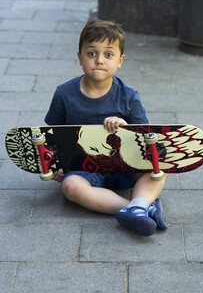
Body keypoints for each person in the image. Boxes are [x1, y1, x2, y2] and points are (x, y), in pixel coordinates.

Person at [44, 19, 168, 236]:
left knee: (160, 166)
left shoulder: (129, 95)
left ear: (120, 60)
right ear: (80, 57)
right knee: (70, 187)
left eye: (108, 55)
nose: (99, 60)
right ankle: (138, 207)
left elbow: (146, 139)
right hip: (85, 167)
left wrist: (125, 127)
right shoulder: (64, 94)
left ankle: (138, 204)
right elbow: (53, 137)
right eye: (91, 53)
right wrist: (57, 165)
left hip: (125, 163)